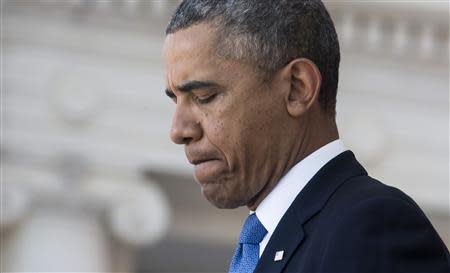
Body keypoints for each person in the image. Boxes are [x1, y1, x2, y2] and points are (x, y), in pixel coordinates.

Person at [162, 0, 450, 272]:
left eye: (204, 96)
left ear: (297, 88)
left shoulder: (371, 227)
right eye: (176, 100)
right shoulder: (271, 241)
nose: (178, 131)